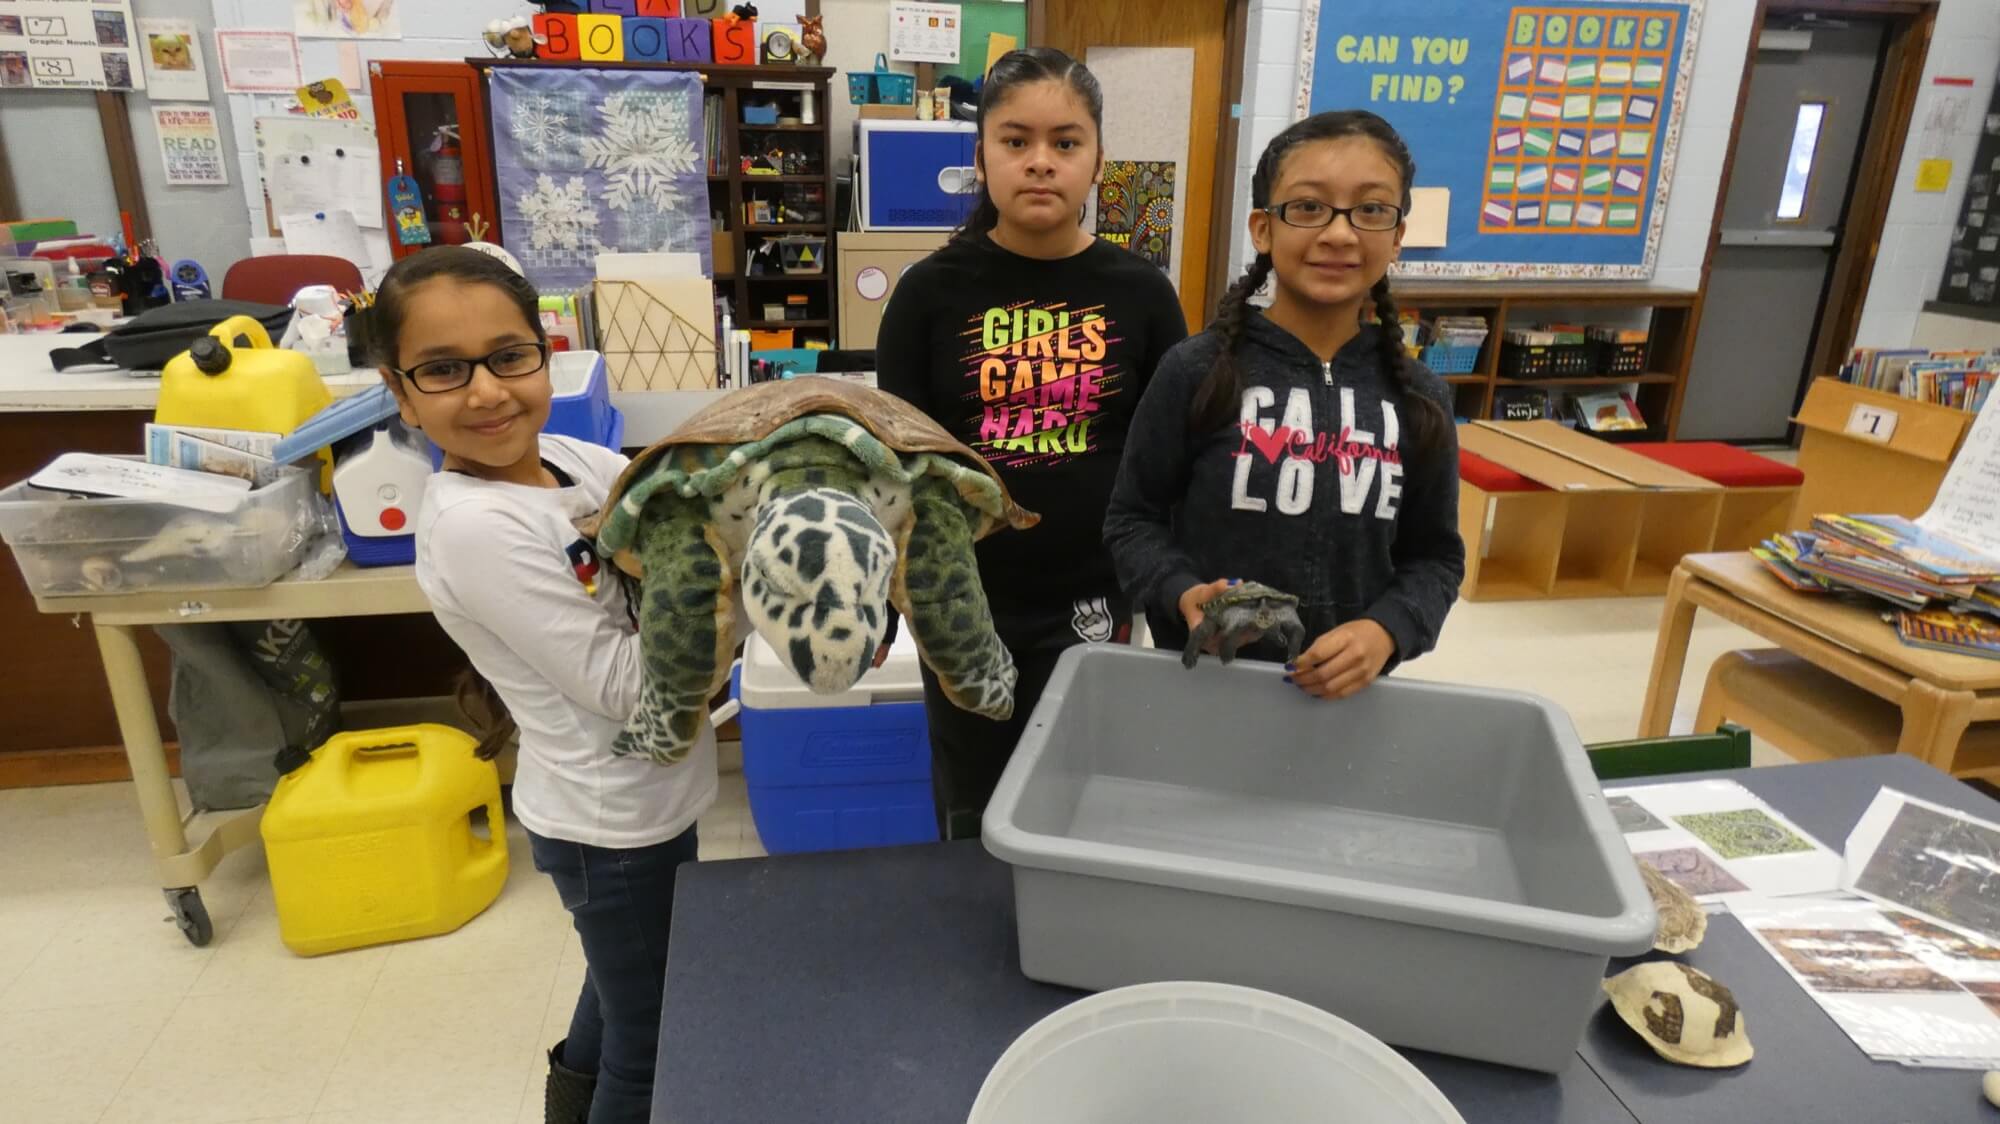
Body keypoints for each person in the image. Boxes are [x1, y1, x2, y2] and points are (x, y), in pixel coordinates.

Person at [376, 246, 716, 1124]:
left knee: (620, 986)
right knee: (652, 1038)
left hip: (649, 802)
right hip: (610, 828)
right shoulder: (474, 529)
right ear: (400, 389)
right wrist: (758, 598)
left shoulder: (576, 461)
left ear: (547, 352)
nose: (487, 392)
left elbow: (678, 539)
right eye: (445, 371)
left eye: (509, 355)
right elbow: (635, 686)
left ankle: (563, 1109)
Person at [876, 47, 1189, 840]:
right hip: (961, 599)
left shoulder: (1144, 293)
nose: (1040, 163)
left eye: (1066, 142)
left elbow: (1168, 462)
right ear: (981, 154)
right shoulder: (927, 294)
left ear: (1097, 160)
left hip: (1094, 593)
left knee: (1078, 796)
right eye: (1015, 141)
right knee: (973, 802)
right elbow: (894, 468)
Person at [1104, 110, 1464, 698]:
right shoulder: (1196, 371)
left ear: (1397, 234)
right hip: (1204, 690)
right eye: (1308, 207)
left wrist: (1386, 631)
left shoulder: (1419, 398)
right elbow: (1131, 521)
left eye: (1371, 210)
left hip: (1350, 701)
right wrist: (1182, 592)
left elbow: (1436, 559)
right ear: (1264, 228)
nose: (1340, 234)